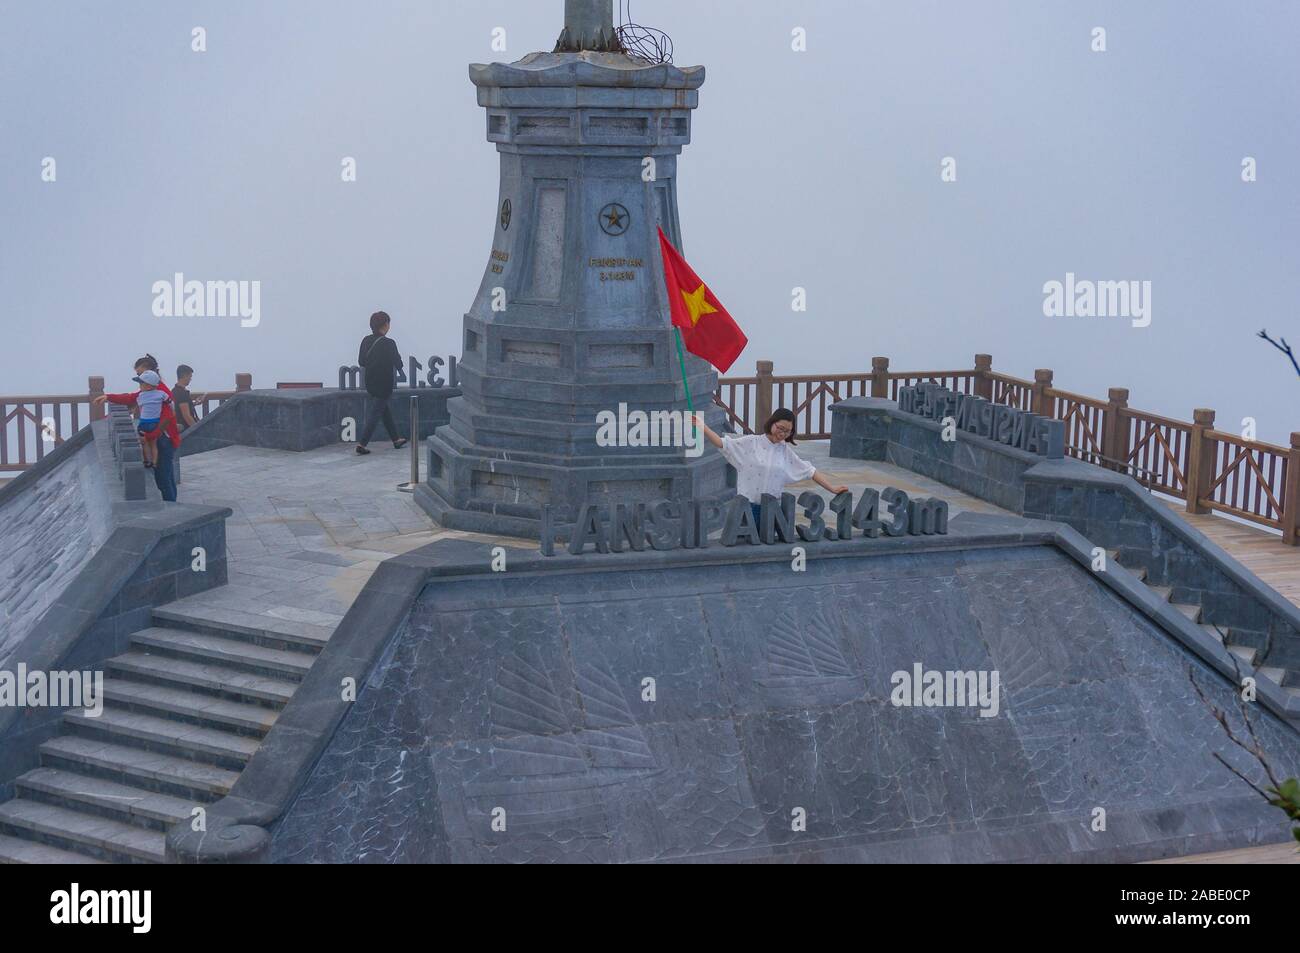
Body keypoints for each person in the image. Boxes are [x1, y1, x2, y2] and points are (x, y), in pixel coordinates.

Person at [693, 408, 849, 523]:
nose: (782, 434)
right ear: (772, 423)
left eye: (787, 431)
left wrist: (832, 489)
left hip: (772, 510)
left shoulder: (785, 451)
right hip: (746, 508)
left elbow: (810, 471)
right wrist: (703, 427)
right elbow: (723, 444)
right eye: (780, 428)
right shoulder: (751, 442)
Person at [94, 363, 183, 501]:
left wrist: (152, 435)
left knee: (163, 477)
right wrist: (108, 397)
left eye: (141, 374)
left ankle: (171, 506)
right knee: (165, 475)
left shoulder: (161, 393)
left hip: (164, 438)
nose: (140, 379)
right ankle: (171, 503)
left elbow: (168, 417)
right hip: (159, 436)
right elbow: (130, 398)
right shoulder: (148, 391)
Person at [355, 310, 408, 455]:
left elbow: (361, 361)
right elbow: (399, 364)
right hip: (384, 383)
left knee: (383, 410)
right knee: (376, 413)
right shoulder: (389, 343)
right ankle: (362, 444)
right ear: (385, 325)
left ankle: (396, 439)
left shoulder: (366, 340)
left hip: (370, 382)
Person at [131, 370, 168, 468]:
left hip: (143, 423)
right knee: (153, 444)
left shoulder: (141, 396)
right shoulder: (161, 394)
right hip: (154, 423)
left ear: (148, 385)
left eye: (141, 383)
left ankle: (147, 461)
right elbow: (169, 401)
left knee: (144, 442)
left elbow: (140, 407)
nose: (139, 386)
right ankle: (155, 462)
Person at [172, 364, 201, 431]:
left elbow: (180, 406)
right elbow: (186, 416)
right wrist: (197, 429)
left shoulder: (174, 391)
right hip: (185, 428)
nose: (190, 379)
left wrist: (194, 403)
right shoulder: (182, 393)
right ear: (185, 376)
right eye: (190, 376)